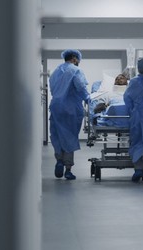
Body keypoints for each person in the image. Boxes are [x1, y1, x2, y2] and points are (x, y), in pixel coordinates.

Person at [49, 49, 90, 180]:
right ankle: (68, 169)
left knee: (57, 135)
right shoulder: (75, 70)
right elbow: (81, 87)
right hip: (70, 109)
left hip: (56, 107)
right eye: (78, 60)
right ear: (74, 58)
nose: (78, 62)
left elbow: (53, 89)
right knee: (69, 136)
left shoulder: (55, 72)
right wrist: (89, 98)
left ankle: (59, 160)